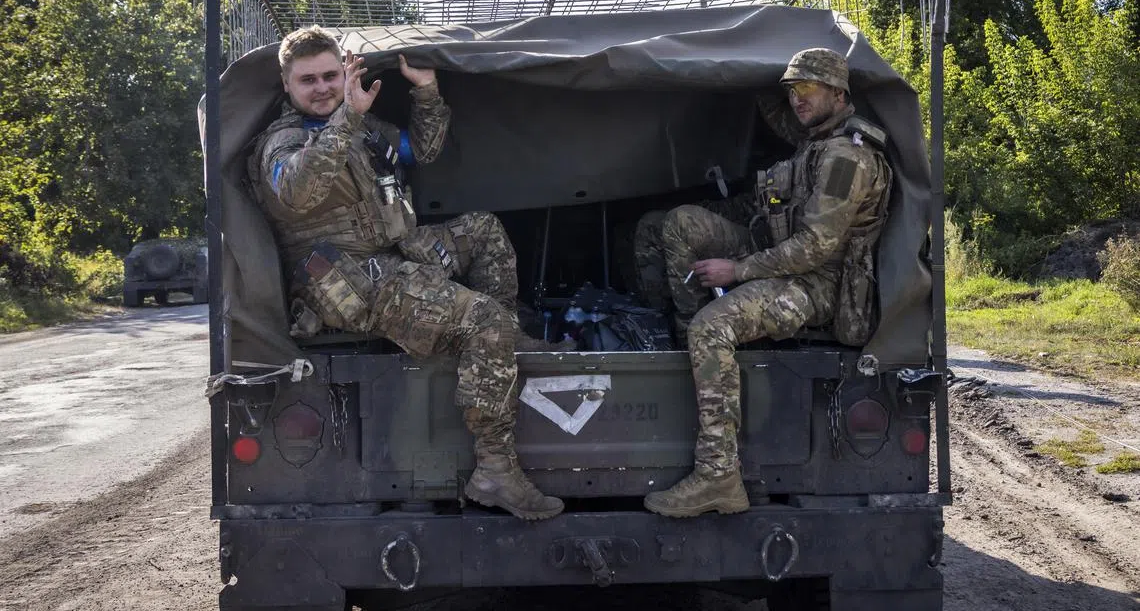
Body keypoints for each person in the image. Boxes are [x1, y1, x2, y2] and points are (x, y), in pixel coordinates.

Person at [247, 25, 563, 521]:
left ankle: (500, 350)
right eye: (308, 80)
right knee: (485, 321)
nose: (323, 88)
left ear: (346, 71)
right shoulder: (282, 142)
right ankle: (496, 470)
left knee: (483, 231)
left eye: (331, 75)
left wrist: (426, 90)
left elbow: (423, 150)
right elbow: (296, 192)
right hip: (347, 282)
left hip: (396, 254)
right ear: (287, 85)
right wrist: (349, 115)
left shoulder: (365, 129)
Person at [639, 48, 892, 518]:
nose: (798, 99)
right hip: (780, 260)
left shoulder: (845, 158)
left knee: (711, 328)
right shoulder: (814, 140)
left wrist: (737, 271)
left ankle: (719, 475)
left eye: (808, 88)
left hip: (817, 286)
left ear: (838, 93)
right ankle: (692, 355)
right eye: (793, 90)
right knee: (672, 225)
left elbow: (816, 247)